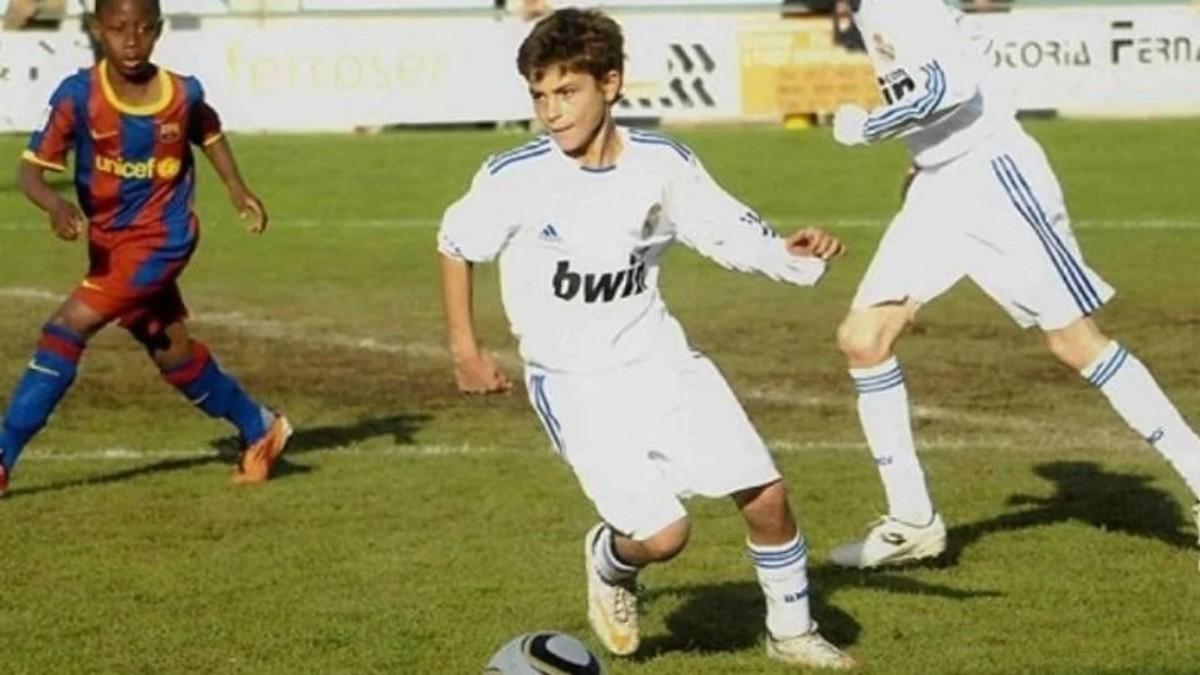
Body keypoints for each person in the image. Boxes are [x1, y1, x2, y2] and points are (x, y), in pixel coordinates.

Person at [437, 8, 854, 670]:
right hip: (573, 382)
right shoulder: (515, 175)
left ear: (611, 83)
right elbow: (455, 242)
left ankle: (792, 631)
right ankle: (611, 561)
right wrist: (465, 348)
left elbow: (727, 231)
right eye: (539, 95)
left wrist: (793, 252)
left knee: (767, 497)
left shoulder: (662, 164)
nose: (551, 111)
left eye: (566, 91)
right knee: (664, 535)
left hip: (659, 357)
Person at [828, 0, 1200, 569]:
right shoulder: (870, 10)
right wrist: (917, 161)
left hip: (993, 177)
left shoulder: (901, 6)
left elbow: (951, 88)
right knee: (864, 338)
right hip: (941, 183)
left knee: (1076, 342)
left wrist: (866, 127)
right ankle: (913, 521)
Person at [1, 0, 291, 498]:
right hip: (109, 244)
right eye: (117, 29)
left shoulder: (182, 93)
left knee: (65, 329)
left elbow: (210, 131)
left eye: (141, 29)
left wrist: (237, 189)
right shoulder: (78, 95)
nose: (130, 41)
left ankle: (2, 456)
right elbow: (29, 172)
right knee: (171, 354)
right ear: (98, 31)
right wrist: (53, 204)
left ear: (158, 31)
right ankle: (260, 426)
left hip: (163, 239)